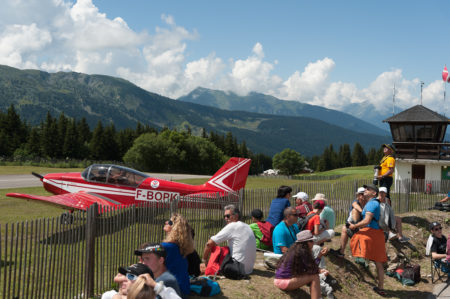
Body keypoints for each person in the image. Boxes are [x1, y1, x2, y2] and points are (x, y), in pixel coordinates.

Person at [349, 184, 388, 296]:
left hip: (371, 233)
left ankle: (361, 258)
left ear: (374, 193)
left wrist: (355, 226)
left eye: (368, 189)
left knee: (350, 233)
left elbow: (366, 221)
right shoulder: (377, 203)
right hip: (379, 234)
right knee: (379, 263)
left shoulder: (371, 203)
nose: (365, 190)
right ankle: (381, 287)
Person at [203, 204, 256, 278]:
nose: (225, 218)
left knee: (219, 249)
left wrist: (204, 260)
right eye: (224, 216)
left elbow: (209, 244)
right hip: (249, 269)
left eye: (228, 216)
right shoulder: (247, 226)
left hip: (236, 268)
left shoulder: (232, 226)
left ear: (236, 216)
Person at [273, 230, 321, 299]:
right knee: (315, 277)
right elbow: (313, 270)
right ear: (305, 243)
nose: (313, 243)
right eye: (311, 241)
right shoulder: (303, 252)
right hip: (283, 282)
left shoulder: (295, 250)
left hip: (279, 280)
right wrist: (319, 257)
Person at [161, 213, 194, 297]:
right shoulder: (181, 246)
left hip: (173, 291)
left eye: (169, 222)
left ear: (174, 227)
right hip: (184, 290)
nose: (166, 222)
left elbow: (148, 252)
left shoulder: (165, 247)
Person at [330, 187, 368, 258]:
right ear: (358, 196)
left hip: (365, 226)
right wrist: (363, 212)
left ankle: (342, 251)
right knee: (345, 227)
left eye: (364, 194)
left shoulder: (368, 203)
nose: (363, 196)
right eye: (362, 194)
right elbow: (355, 205)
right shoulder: (356, 202)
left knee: (345, 228)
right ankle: (341, 251)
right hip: (357, 225)